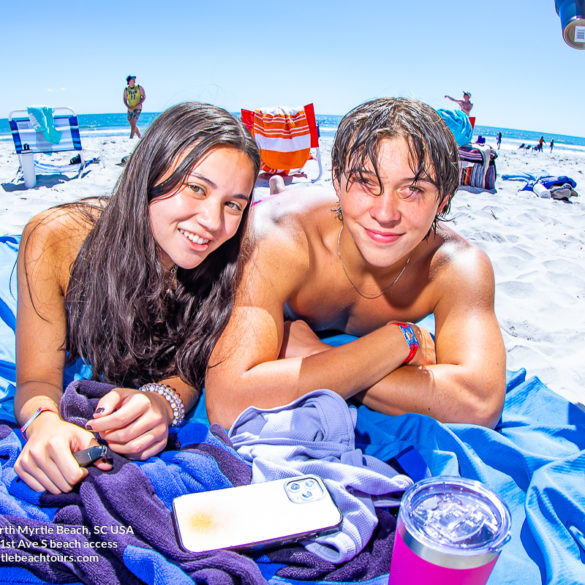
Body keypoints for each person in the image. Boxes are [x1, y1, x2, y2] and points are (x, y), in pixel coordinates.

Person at [206, 97, 506, 431]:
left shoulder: (456, 266)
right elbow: (230, 403)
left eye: (413, 190)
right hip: (292, 210)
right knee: (276, 197)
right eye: (366, 182)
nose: (385, 213)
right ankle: (278, 187)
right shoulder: (280, 237)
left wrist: (315, 352)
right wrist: (400, 341)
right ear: (337, 182)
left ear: (442, 201)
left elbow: (479, 403)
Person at [14, 102, 260, 494]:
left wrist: (162, 403)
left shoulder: (232, 261)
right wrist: (43, 423)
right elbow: (36, 378)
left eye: (233, 204)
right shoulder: (57, 240)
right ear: (149, 173)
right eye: (196, 188)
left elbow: (194, 365)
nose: (214, 223)